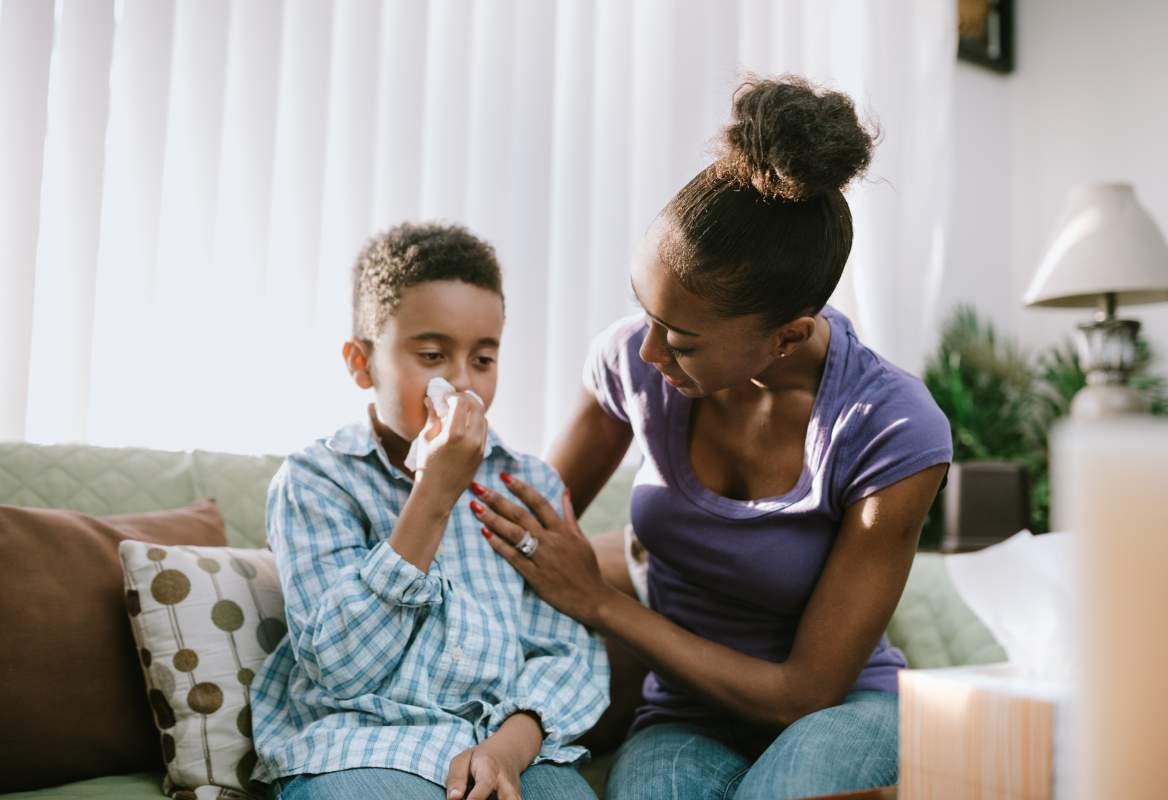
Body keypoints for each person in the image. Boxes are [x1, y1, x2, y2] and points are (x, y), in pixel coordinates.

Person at [468, 76, 952, 799]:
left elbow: (804, 693)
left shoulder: (892, 428)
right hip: (684, 719)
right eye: (646, 313)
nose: (650, 354)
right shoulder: (631, 364)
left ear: (786, 336)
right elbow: (512, 524)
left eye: (684, 343)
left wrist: (605, 604)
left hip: (843, 711)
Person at [249, 223, 609, 800]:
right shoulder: (317, 481)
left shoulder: (527, 485)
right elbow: (340, 668)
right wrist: (434, 495)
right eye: (433, 355)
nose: (462, 381)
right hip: (361, 748)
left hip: (509, 750)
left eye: (484, 358)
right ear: (361, 363)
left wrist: (506, 751)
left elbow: (568, 656)